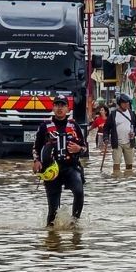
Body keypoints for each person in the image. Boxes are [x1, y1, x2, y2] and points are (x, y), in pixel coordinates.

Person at [32, 94, 87, 226]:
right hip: (51, 170)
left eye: (62, 105)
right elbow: (36, 147)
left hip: (71, 167)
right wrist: (36, 161)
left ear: (68, 108)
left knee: (79, 192)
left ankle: (74, 223)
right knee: (53, 210)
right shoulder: (45, 126)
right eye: (57, 105)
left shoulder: (74, 126)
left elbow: (85, 148)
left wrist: (79, 148)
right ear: (53, 107)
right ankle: (51, 238)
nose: (59, 108)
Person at [108, 94, 136, 171]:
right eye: (124, 103)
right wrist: (105, 138)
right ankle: (116, 178)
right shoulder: (113, 114)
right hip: (117, 143)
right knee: (116, 164)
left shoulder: (132, 113)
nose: (126, 104)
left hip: (129, 142)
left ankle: (128, 179)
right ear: (119, 104)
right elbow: (106, 128)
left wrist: (135, 133)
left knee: (129, 165)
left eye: (127, 102)